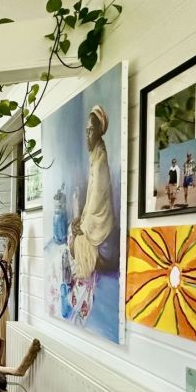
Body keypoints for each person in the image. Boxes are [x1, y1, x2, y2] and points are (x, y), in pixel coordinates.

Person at [69, 106, 116, 281]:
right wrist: (81, 219)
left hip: (101, 225)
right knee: (72, 230)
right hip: (93, 220)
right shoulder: (95, 157)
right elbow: (90, 199)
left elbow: (96, 203)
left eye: (91, 130)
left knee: (75, 243)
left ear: (99, 132)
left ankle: (88, 269)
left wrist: (82, 227)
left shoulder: (100, 161)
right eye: (86, 130)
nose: (87, 135)